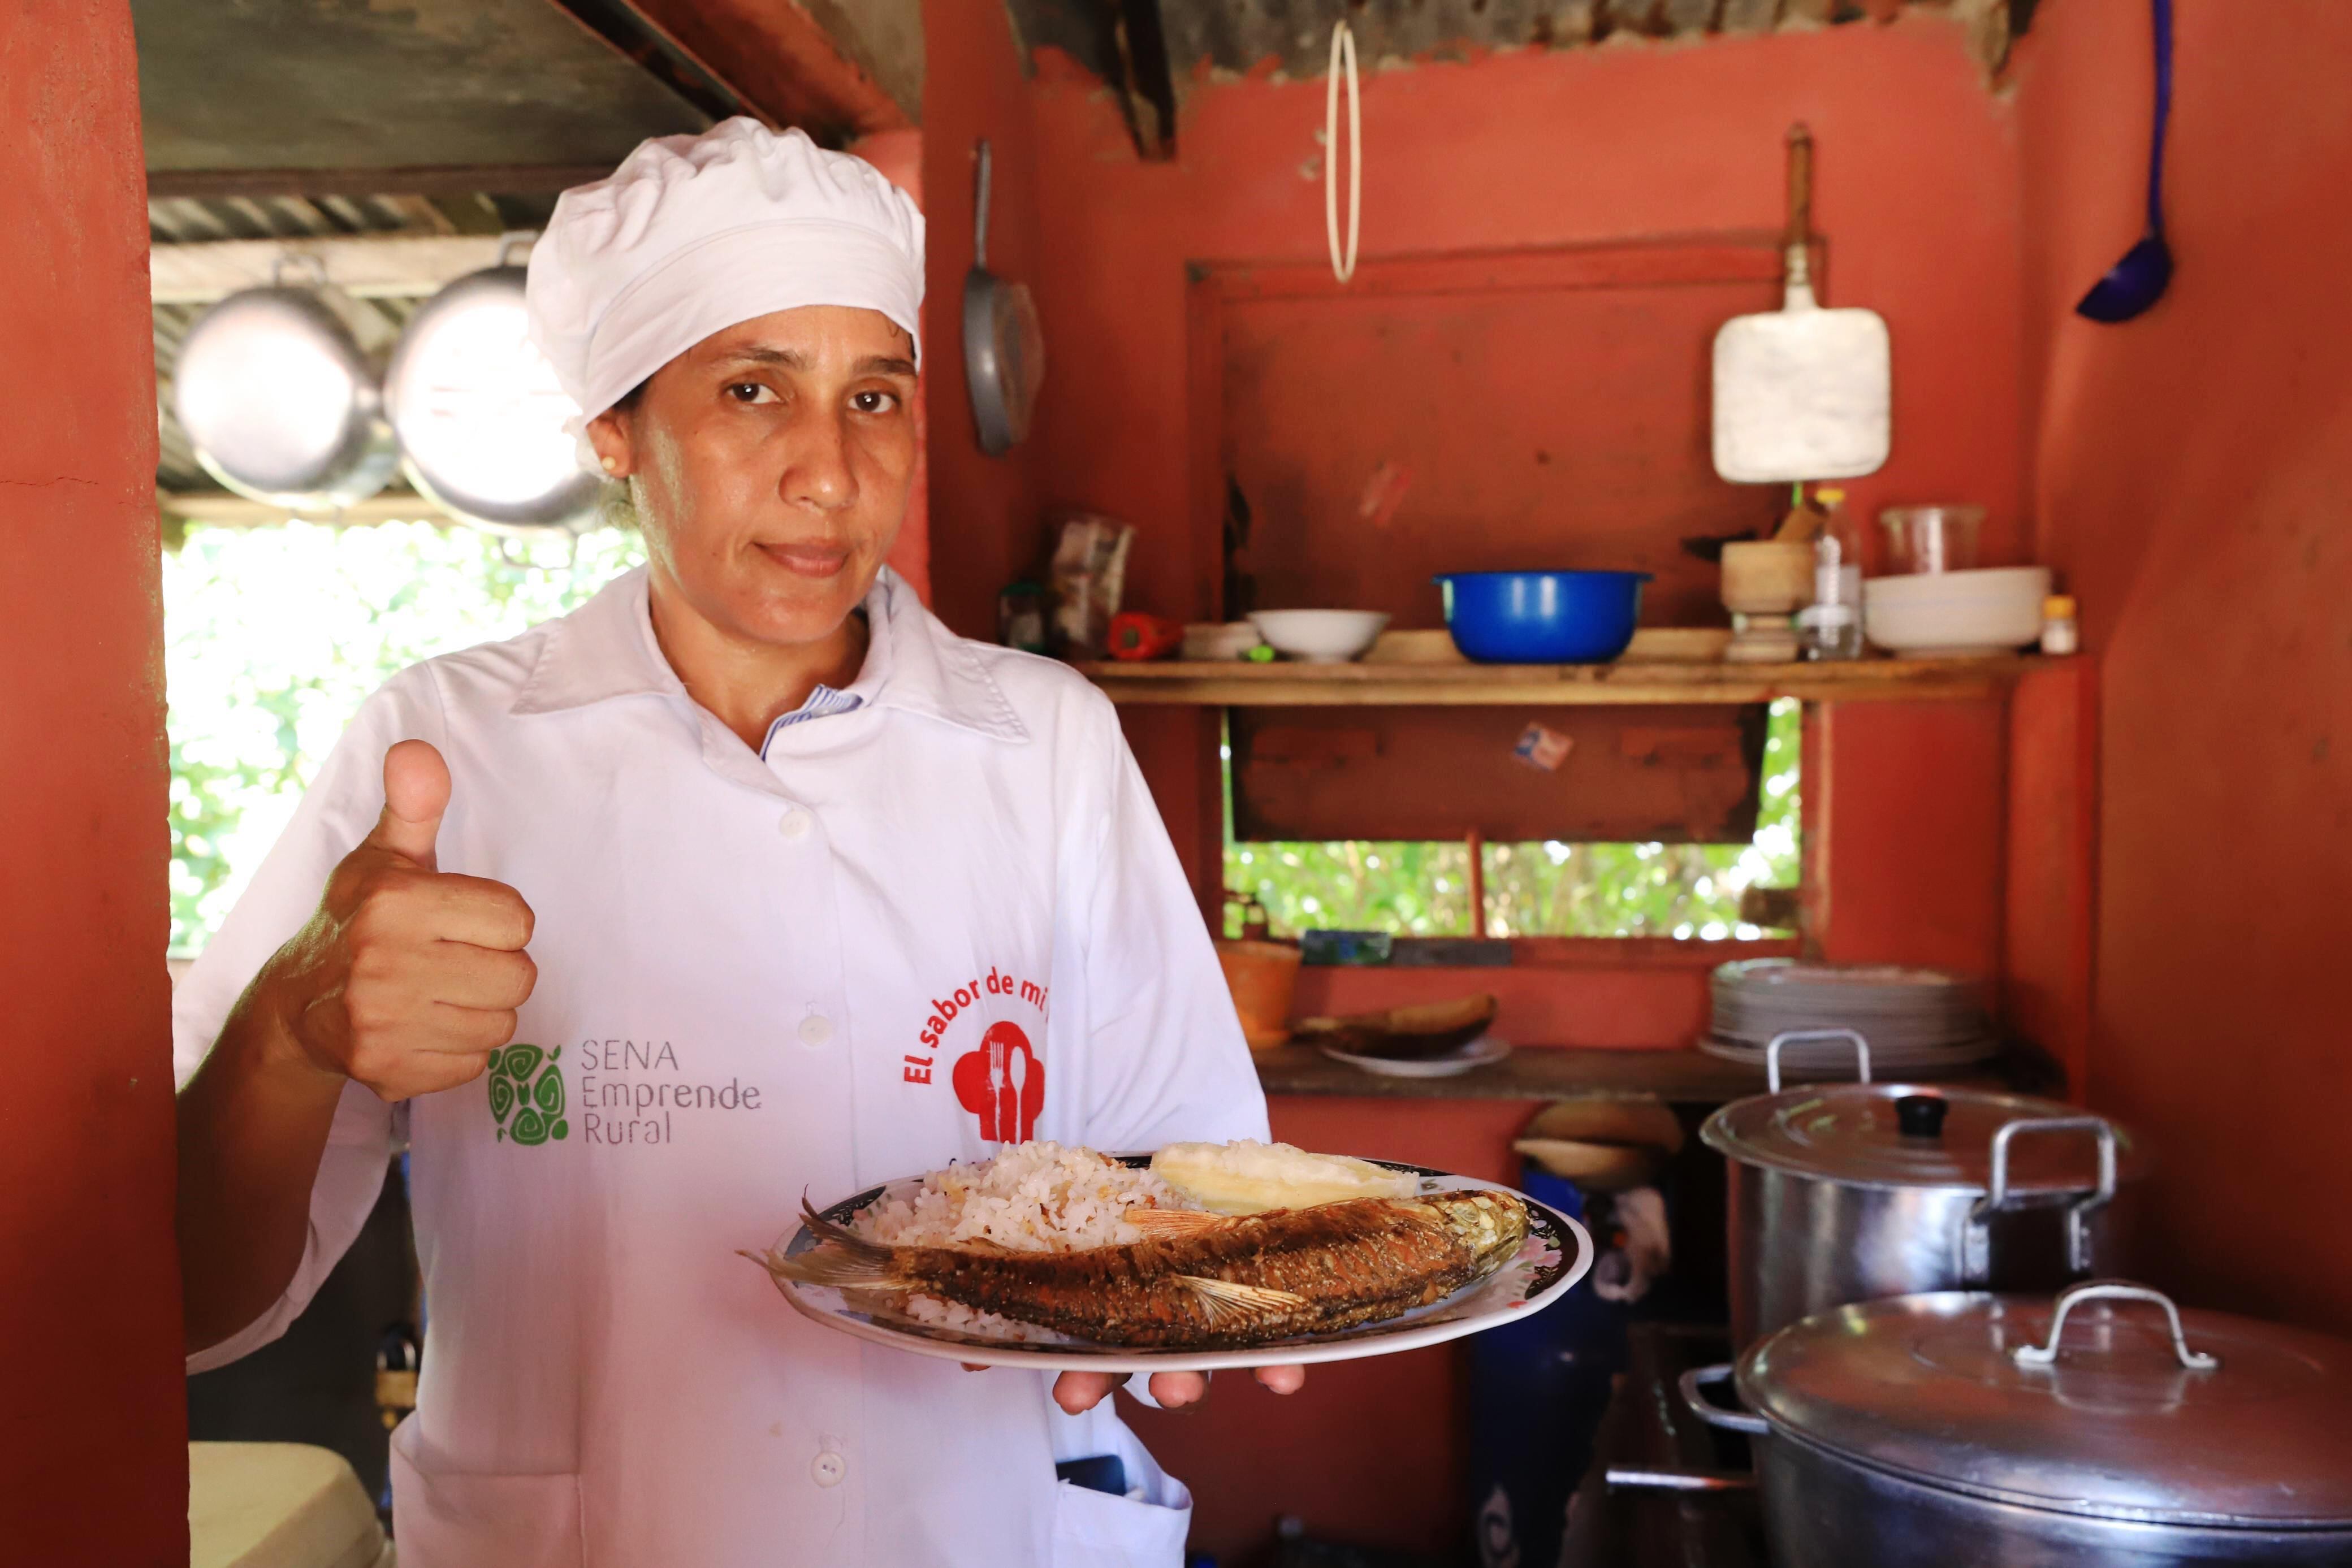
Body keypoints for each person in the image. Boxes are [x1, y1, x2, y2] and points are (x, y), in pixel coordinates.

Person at [172, 119, 1299, 1566]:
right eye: (752, 388)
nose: (830, 474)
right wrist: (289, 1026)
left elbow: (1187, 1178)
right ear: (614, 434)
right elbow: (195, 1305)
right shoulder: (445, 750)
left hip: (970, 1529)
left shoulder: (1045, 744)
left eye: (875, 395)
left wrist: (1184, 1305)